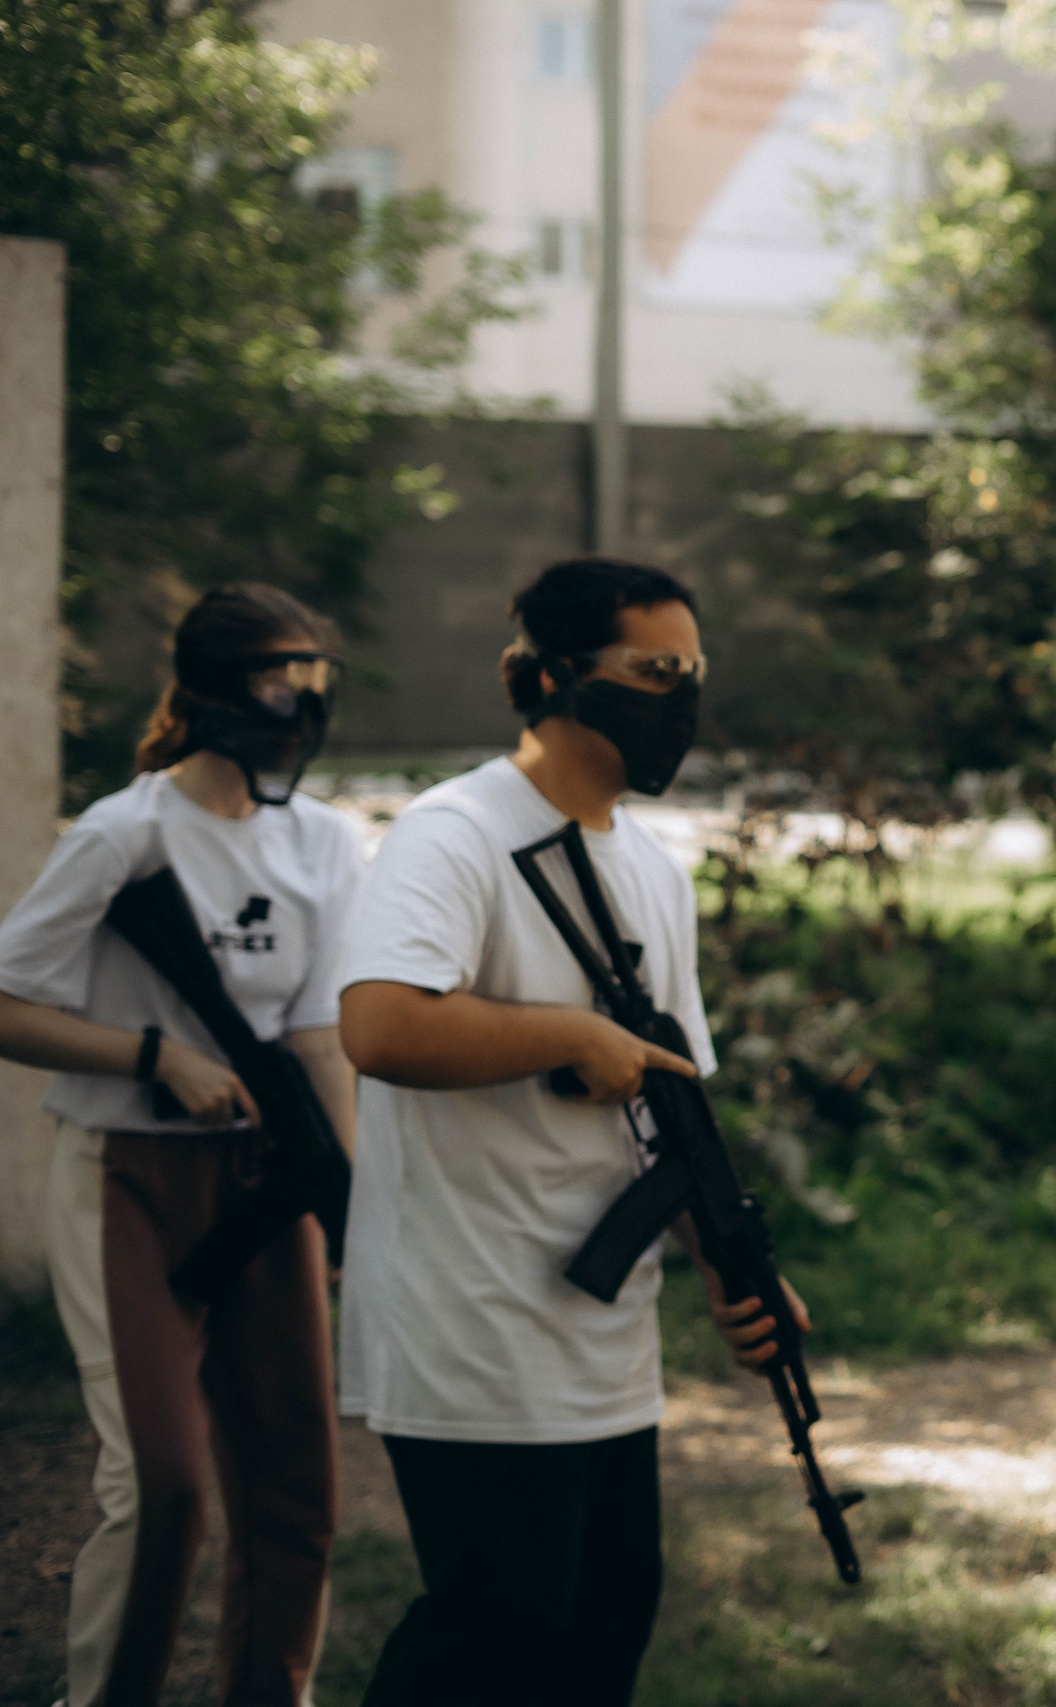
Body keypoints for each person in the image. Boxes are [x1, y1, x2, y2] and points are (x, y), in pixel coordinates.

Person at [334, 557, 799, 1707]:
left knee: (602, 1630)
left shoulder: (650, 867)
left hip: (600, 1337)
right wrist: (566, 1034)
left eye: (692, 672)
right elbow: (380, 1025)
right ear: (552, 677)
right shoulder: (453, 834)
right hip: (469, 1319)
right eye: (654, 671)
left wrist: (733, 1266)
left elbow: (675, 1106)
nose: (680, 697)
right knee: (490, 1638)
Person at [0, 584, 361, 1707]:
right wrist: (156, 1056)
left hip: (267, 1185)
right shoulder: (127, 831)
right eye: (273, 679)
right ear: (209, 691)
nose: (296, 705)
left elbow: (317, 1039)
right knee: (163, 1484)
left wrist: (345, 1200)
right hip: (128, 1179)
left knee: (296, 1483)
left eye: (313, 679)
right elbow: (5, 999)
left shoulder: (323, 843)